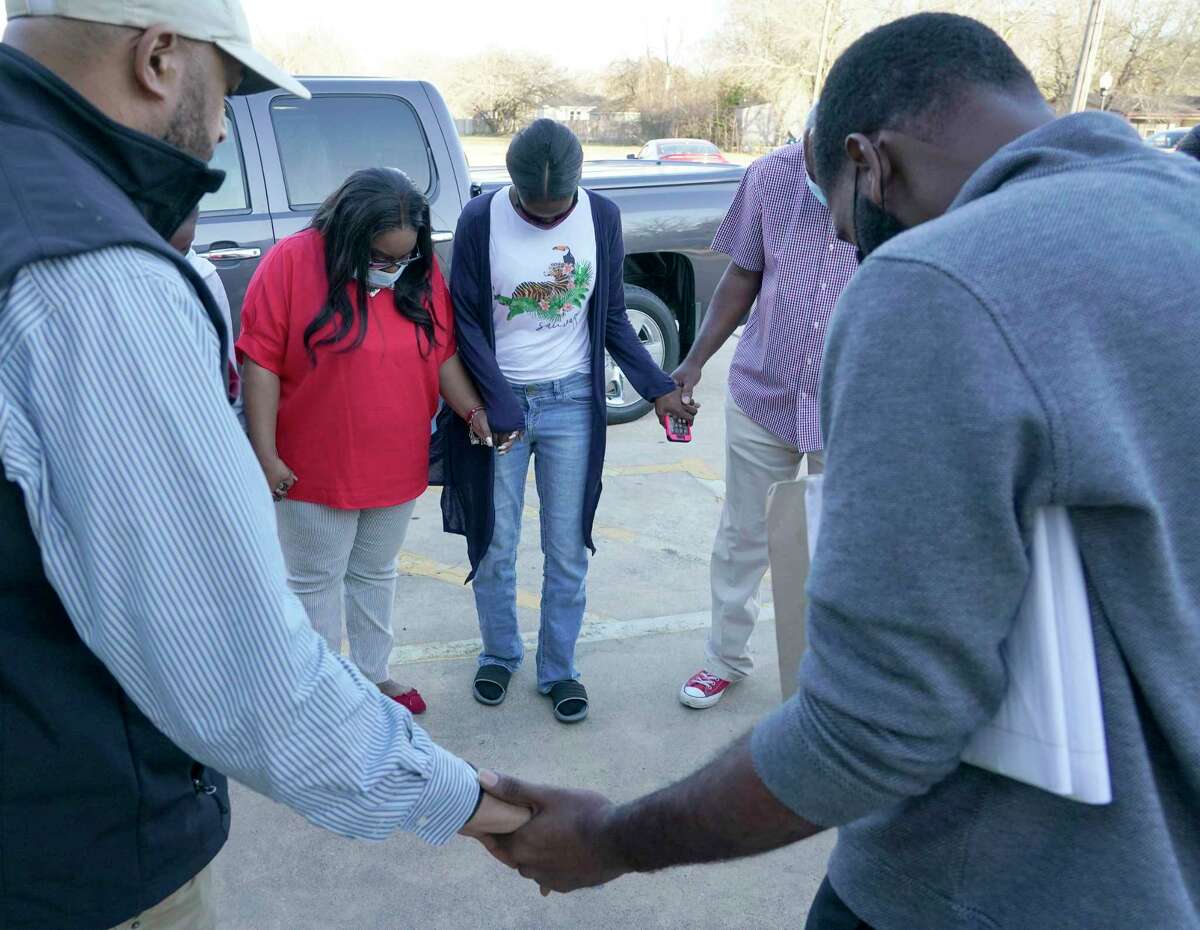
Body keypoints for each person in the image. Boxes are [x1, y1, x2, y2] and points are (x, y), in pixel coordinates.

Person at [469, 14, 1200, 930]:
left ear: (871, 160)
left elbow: (872, 729)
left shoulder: (935, 283)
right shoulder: (1178, 205)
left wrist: (612, 838)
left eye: (853, 228)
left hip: (980, 891)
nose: (857, 252)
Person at [0, 4, 528, 929]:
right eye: (230, 89)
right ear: (159, 57)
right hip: (69, 853)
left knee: (367, 579)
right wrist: (479, 808)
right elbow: (228, 654)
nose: (217, 128)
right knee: (314, 585)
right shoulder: (91, 269)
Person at [444, 119, 697, 724]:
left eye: (558, 211)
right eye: (534, 211)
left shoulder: (601, 218)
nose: (547, 219)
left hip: (571, 406)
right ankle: (500, 654)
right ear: (513, 188)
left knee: (566, 548)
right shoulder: (481, 220)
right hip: (499, 403)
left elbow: (610, 317)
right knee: (496, 540)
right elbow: (466, 323)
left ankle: (558, 669)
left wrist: (658, 387)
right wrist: (496, 398)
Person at [237, 168, 493, 716]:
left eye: (403, 258)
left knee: (375, 572)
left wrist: (471, 409)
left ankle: (373, 676)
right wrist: (266, 456)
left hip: (396, 461)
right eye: (381, 256)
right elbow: (259, 363)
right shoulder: (290, 262)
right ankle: (317, 693)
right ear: (348, 236)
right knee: (314, 582)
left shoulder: (418, 274)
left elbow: (442, 352)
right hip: (313, 467)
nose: (393, 269)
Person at [674, 104, 857, 709]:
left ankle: (835, 677)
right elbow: (741, 276)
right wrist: (695, 360)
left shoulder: (885, 181)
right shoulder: (768, 175)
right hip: (765, 391)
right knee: (743, 536)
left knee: (842, 544)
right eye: (813, 155)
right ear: (805, 137)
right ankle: (724, 659)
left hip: (852, 403)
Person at [170, 207, 244, 426]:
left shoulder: (205, 276)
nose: (183, 255)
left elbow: (226, 362)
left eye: (187, 247)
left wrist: (236, 423)